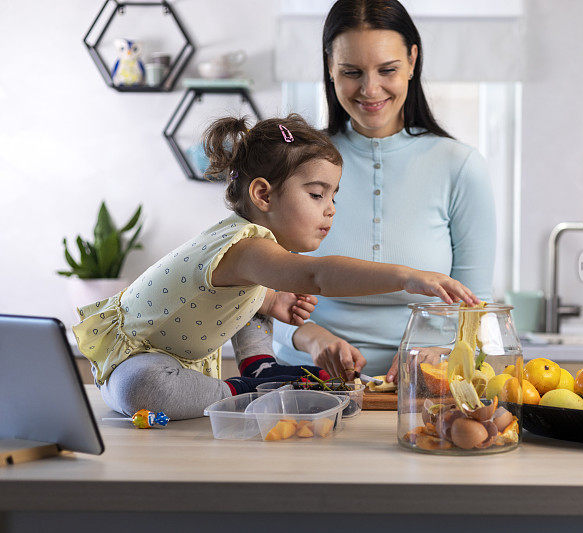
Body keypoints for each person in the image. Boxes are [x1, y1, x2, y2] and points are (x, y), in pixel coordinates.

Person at [72, 113, 478, 420]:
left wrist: (268, 303)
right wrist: (408, 276)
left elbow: (253, 294)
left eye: (333, 196)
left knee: (258, 299)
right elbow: (317, 275)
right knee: (141, 387)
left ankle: (259, 365)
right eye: (317, 194)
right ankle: (250, 388)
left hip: (182, 362)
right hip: (137, 359)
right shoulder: (245, 246)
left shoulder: (253, 251)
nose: (330, 210)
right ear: (263, 194)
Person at [268, 0, 496, 383]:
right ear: (329, 67)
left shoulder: (461, 167)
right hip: (310, 384)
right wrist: (311, 338)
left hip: (426, 388)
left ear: (412, 60)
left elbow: (474, 308)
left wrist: (438, 353)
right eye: (351, 72)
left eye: (387, 69)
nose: (370, 89)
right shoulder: (293, 164)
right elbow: (264, 298)